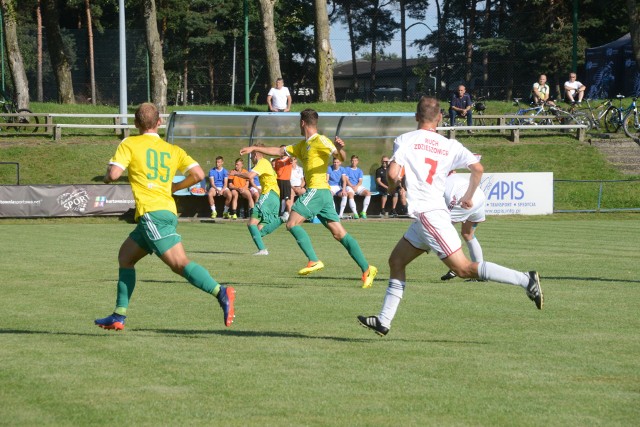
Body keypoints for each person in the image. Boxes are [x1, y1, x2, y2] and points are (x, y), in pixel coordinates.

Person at [357, 97, 543, 337]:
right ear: (440, 119)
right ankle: (383, 320)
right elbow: (478, 169)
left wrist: (393, 188)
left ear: (416, 117)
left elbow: (393, 172)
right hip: (429, 215)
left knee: (464, 269)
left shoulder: (405, 139)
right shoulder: (450, 145)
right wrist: (469, 195)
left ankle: (525, 280)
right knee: (396, 261)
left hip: (428, 215)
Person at [94, 103, 235, 331]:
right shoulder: (173, 150)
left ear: (136, 123)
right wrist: (176, 186)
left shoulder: (129, 143)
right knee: (125, 257)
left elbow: (114, 173)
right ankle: (118, 315)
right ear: (159, 122)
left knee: (179, 264)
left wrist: (106, 177)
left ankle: (221, 291)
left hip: (152, 214)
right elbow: (198, 174)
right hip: (164, 212)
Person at [240, 108, 378, 289]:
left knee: (292, 223)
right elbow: (279, 151)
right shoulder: (302, 145)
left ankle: (313, 260)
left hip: (318, 191)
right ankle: (367, 268)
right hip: (323, 195)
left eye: (299, 122)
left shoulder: (320, 140)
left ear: (303, 123)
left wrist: (341, 149)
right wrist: (255, 147)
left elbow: (339, 156)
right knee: (339, 233)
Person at [230, 143, 283, 256]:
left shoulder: (262, 162)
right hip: (274, 197)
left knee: (251, 224)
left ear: (255, 154)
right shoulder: (265, 163)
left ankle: (263, 249)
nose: (251, 158)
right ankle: (282, 219)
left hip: (269, 194)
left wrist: (237, 174)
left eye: (251, 155)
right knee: (258, 230)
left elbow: (250, 176)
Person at [440, 170, 487, 282]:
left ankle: (457, 267)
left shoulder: (438, 183)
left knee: (442, 230)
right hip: (479, 196)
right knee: (468, 234)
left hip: (463, 199)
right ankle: (479, 273)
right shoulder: (454, 175)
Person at [343, 154, 372, 219]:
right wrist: (352, 186)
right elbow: (346, 180)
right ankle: (355, 213)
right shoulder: (347, 169)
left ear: (357, 161)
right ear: (351, 161)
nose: (354, 162)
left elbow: (360, 181)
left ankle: (363, 212)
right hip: (349, 186)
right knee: (350, 194)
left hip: (357, 186)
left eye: (355, 161)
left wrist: (356, 187)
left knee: (368, 193)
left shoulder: (359, 171)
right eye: (352, 161)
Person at [274, 146, 293, 220]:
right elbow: (276, 171)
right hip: (278, 181)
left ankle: (291, 216)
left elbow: (292, 158)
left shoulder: (288, 159)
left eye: (283, 150)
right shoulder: (277, 161)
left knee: (287, 200)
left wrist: (287, 152)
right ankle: (279, 214)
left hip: (285, 182)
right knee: (278, 199)